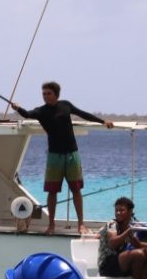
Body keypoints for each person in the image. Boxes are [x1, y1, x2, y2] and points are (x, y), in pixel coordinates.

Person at [11, 81, 114, 234]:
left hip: (72, 154)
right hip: (54, 156)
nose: (46, 96)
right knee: (52, 192)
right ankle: (51, 225)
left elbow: (83, 114)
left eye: (49, 93)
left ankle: (81, 224)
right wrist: (17, 108)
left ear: (56, 94)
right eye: (44, 94)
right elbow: (27, 114)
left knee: (76, 189)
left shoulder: (65, 105)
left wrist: (103, 121)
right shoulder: (41, 111)